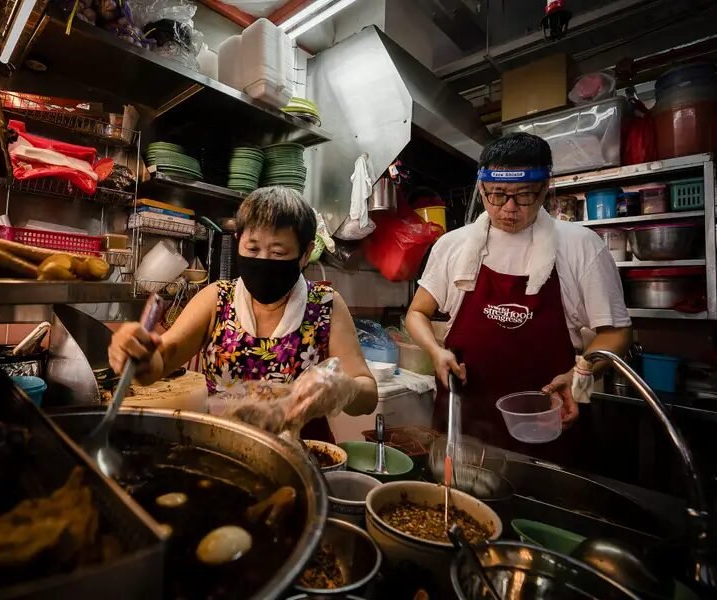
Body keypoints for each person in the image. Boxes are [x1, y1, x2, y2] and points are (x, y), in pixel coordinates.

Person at [406, 133, 631, 460]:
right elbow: (417, 313)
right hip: (465, 430)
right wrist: (434, 353)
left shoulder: (580, 246)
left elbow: (618, 333)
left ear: (545, 189)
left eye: (524, 196)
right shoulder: (453, 246)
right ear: (481, 188)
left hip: (548, 429)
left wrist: (579, 379)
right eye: (497, 195)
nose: (509, 208)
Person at [109, 186, 378, 442]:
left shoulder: (325, 305)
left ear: (305, 253)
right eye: (252, 249)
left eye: (278, 252)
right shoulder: (217, 299)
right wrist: (138, 357)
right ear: (238, 243)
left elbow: (368, 394)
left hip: (302, 455)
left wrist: (346, 389)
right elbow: (162, 359)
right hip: (227, 451)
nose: (263, 260)